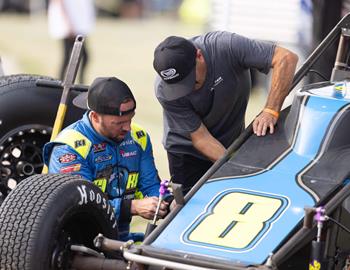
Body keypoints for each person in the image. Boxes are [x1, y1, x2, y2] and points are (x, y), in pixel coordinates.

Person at [153, 31, 298, 194]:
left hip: (230, 138)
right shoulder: (164, 91)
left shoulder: (225, 47)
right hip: (186, 151)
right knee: (189, 208)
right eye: (179, 87)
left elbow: (286, 58)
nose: (188, 89)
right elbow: (201, 138)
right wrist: (238, 169)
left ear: (199, 56)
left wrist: (271, 110)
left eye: (190, 80)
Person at [43, 76, 168, 242]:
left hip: (120, 238)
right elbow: (79, 206)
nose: (127, 128)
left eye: (130, 119)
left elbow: (150, 185)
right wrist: (131, 207)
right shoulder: (69, 148)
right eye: (119, 122)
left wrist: (168, 202)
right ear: (95, 117)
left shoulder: (139, 138)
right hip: (77, 242)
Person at [47, 0, 95, 83]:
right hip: (70, 27)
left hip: (77, 26)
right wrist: (68, 24)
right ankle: (61, 82)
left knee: (80, 57)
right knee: (68, 57)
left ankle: (75, 82)